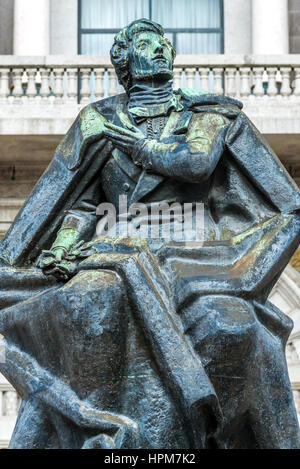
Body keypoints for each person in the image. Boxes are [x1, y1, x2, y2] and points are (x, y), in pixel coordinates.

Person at [0, 19, 300, 449]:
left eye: (162, 42)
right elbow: (79, 202)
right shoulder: (97, 121)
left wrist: (145, 149)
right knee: (88, 301)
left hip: (197, 253)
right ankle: (96, 425)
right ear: (125, 60)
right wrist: (64, 244)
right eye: (144, 43)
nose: (158, 48)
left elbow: (260, 191)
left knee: (232, 326)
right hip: (115, 246)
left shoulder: (211, 115)